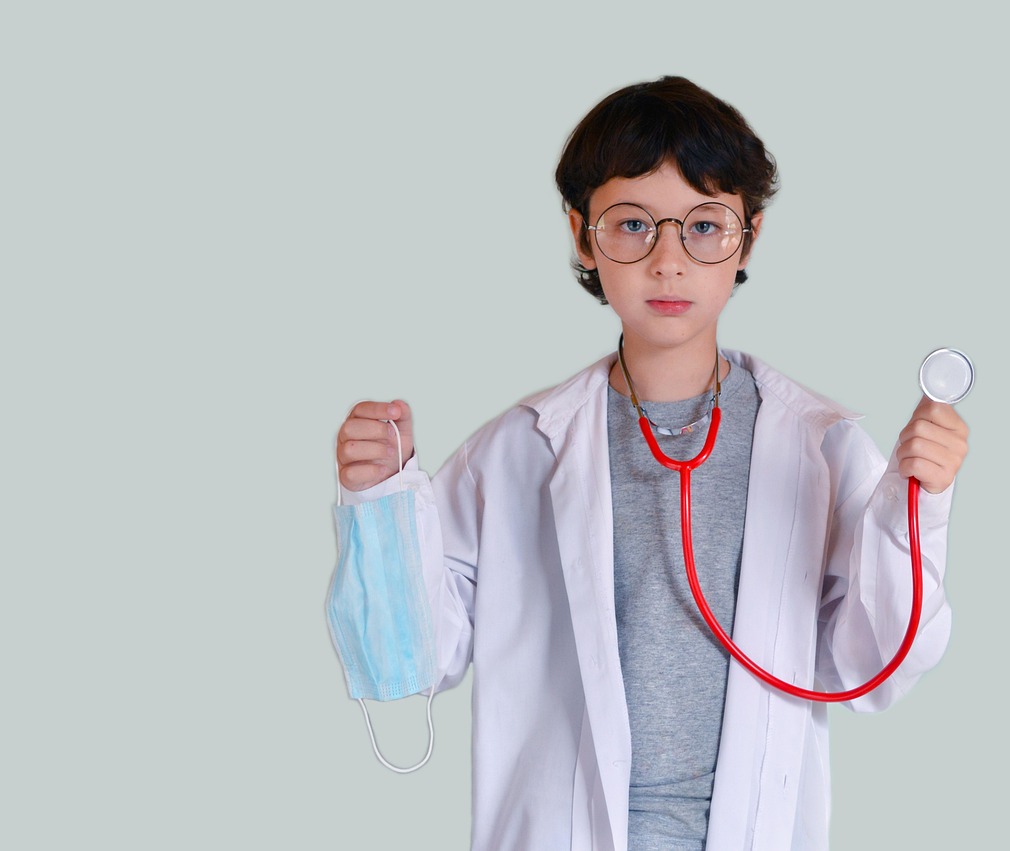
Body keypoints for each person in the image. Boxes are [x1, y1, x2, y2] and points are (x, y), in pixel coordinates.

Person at [330, 76, 969, 850]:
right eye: (632, 224)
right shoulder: (516, 451)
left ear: (749, 238)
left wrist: (919, 502)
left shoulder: (821, 446)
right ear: (581, 234)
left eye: (704, 225)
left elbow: (872, 666)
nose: (668, 260)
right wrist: (381, 506)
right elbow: (415, 657)